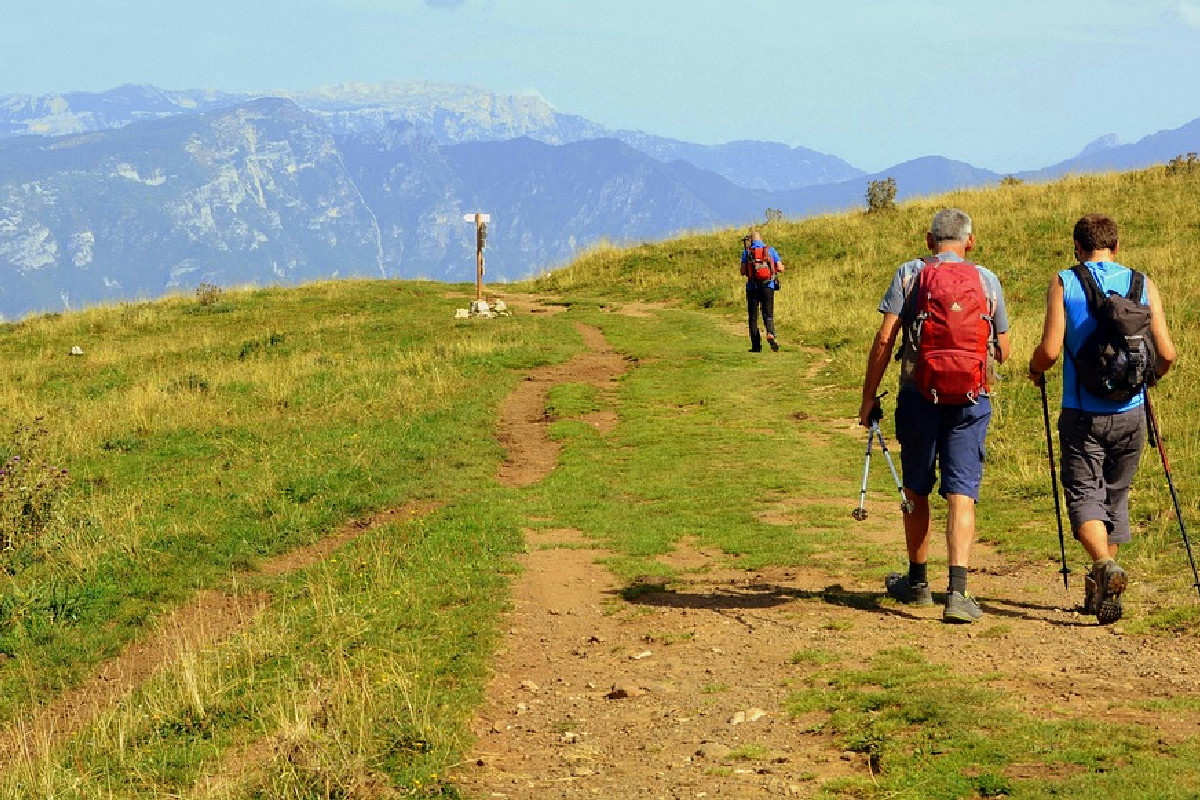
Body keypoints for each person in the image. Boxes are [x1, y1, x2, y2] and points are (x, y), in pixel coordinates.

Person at [858, 208, 1010, 623]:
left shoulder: (909, 274)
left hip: (918, 395)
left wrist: (869, 396)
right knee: (962, 490)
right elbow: (1003, 349)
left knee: (916, 488)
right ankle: (958, 593)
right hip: (972, 399)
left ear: (929, 241)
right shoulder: (987, 279)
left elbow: (885, 337)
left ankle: (918, 582)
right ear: (970, 241)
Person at [1027, 213, 1176, 624]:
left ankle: (1104, 567)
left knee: (1083, 495)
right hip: (1132, 412)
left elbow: (1051, 350)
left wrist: (1035, 369)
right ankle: (1100, 591)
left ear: (1077, 247)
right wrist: (1149, 381)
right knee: (1115, 497)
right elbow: (1166, 355)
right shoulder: (1143, 283)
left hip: (1082, 412)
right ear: (1116, 245)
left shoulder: (1065, 281)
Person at [740, 230, 784, 352]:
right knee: (768, 313)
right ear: (761, 239)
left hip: (752, 288)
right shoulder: (770, 250)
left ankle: (756, 345)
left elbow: (743, 271)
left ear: (751, 240)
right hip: (768, 286)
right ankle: (770, 333)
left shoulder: (747, 252)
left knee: (753, 317)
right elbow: (781, 268)